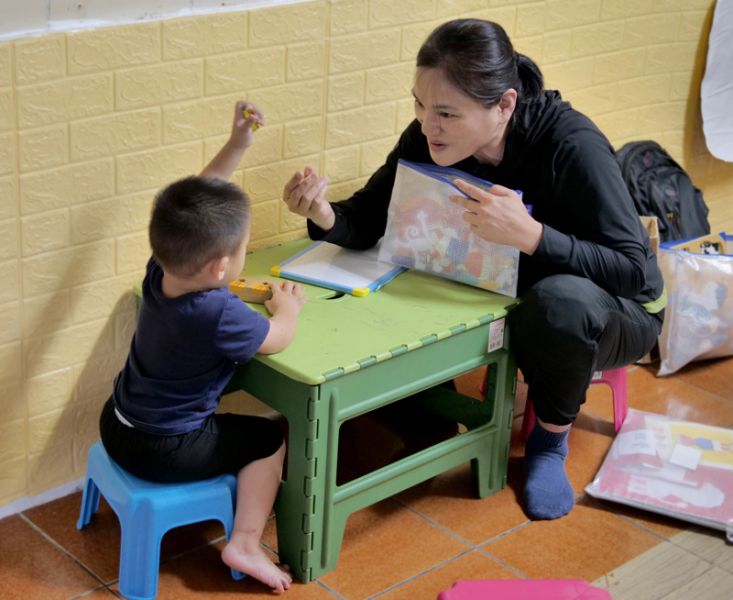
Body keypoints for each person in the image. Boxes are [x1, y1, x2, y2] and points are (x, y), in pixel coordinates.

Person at [281, 19, 665, 521]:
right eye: (419, 105)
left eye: (445, 113)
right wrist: (322, 213)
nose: (426, 124)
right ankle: (430, 416)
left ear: (504, 105)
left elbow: (633, 271)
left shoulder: (571, 146)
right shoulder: (429, 138)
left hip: (618, 307)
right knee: (400, 273)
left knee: (559, 302)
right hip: (504, 291)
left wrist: (533, 236)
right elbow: (370, 216)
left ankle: (548, 442)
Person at [100, 100, 306, 592]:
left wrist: (237, 145)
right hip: (166, 449)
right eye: (242, 247)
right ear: (220, 268)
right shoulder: (217, 310)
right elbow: (276, 342)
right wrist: (288, 309)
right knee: (268, 439)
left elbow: (194, 205)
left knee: (234, 427)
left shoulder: (161, 269)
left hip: (117, 425)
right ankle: (247, 542)